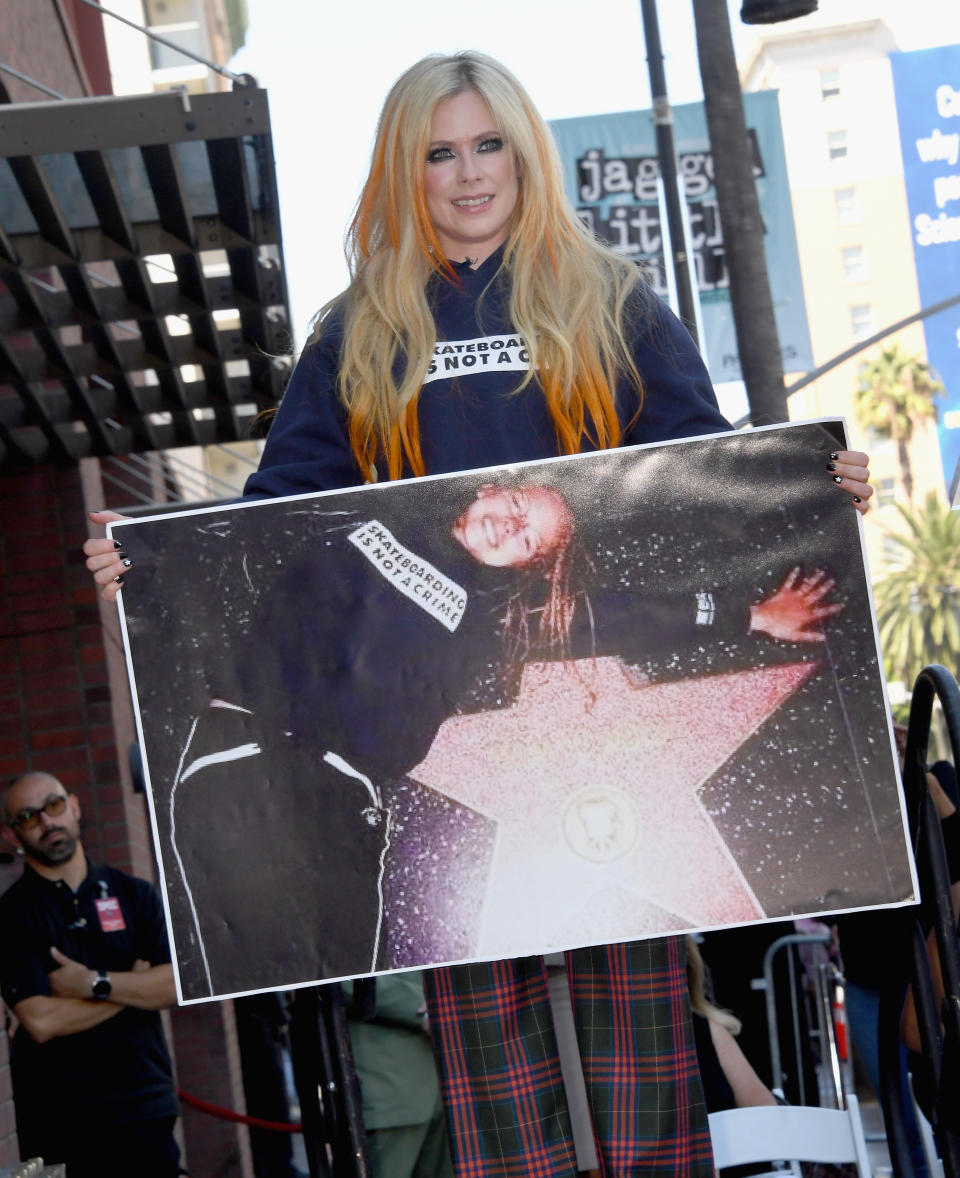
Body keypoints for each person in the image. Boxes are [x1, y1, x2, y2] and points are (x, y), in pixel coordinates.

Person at [84, 50, 872, 1178]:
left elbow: (711, 478)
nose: (467, 175)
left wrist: (815, 493)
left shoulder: (614, 304)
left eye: (488, 144)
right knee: (488, 1079)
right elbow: (267, 518)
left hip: (609, 736)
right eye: (438, 153)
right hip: (446, 760)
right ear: (407, 173)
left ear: (525, 152)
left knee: (645, 1053)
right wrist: (147, 571)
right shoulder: (358, 334)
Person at [0, 771, 180, 1178]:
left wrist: (95, 984)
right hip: (59, 1121)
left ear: (75, 807)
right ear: (12, 836)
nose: (47, 822)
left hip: (144, 1106)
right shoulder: (12, 915)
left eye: (54, 805)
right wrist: (131, 985)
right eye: (28, 817)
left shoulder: (136, 895)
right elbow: (41, 1020)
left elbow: (174, 985)